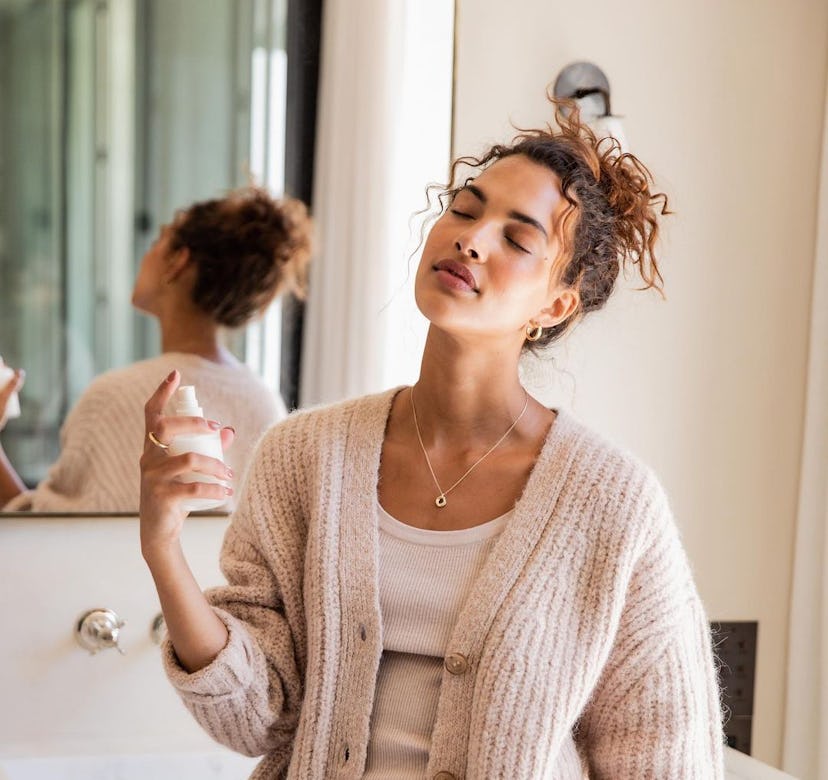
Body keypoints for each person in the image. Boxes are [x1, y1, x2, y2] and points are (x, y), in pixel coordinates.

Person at [139, 103, 725, 778]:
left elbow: (663, 755)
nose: (472, 240)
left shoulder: (615, 504)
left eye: (518, 237)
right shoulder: (303, 456)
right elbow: (258, 717)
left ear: (555, 306)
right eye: (466, 209)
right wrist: (163, 549)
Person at [0, 186, 312, 512]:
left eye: (156, 243)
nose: (145, 255)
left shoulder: (113, 398)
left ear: (178, 261)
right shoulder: (265, 405)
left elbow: (46, 537)